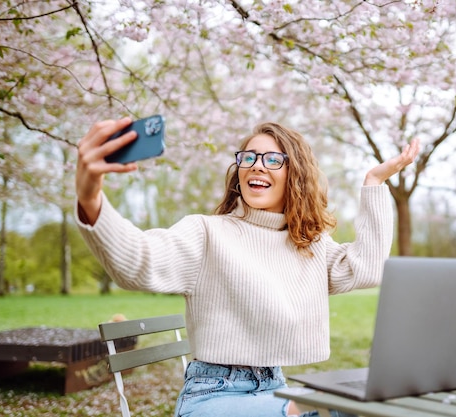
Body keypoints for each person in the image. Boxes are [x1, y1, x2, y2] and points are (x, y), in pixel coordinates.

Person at [75, 117, 420, 417]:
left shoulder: (308, 245)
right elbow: (138, 260)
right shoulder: (207, 233)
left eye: (273, 159)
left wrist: (374, 184)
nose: (257, 165)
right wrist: (90, 198)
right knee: (324, 411)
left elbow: (367, 269)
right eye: (249, 157)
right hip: (211, 396)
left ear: (295, 174)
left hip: (275, 387)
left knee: (357, 408)